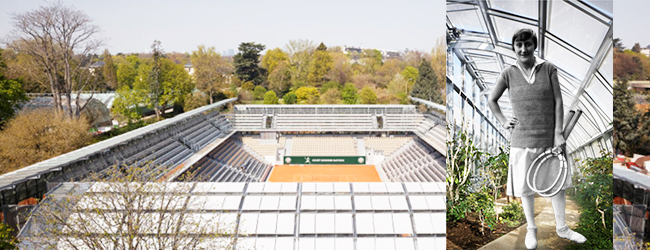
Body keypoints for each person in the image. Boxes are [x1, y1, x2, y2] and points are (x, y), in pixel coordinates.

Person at [487, 28, 586, 249]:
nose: (523, 49)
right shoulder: (507, 73)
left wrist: (558, 133)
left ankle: (563, 228)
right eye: (519, 45)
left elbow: (559, 102)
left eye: (528, 44)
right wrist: (503, 121)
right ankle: (531, 229)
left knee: (557, 185)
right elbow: (492, 100)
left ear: (535, 46)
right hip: (521, 140)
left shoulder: (548, 69)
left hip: (550, 140)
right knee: (525, 188)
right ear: (514, 47)